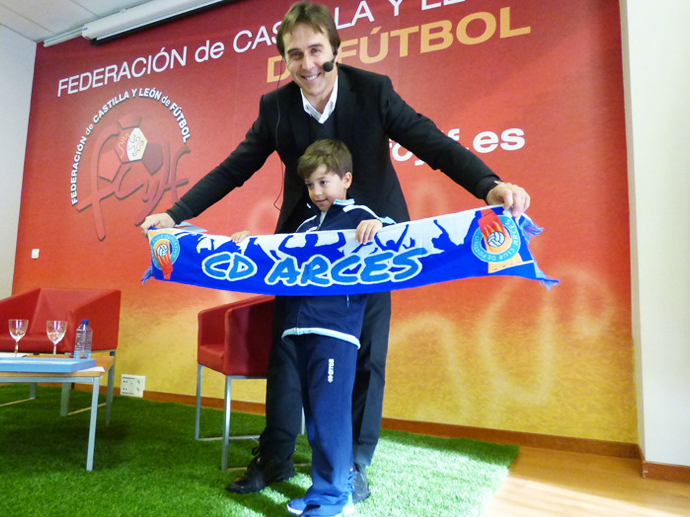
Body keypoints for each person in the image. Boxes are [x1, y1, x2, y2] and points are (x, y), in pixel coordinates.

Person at [141, 0, 531, 502]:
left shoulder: (373, 91)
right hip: (301, 250)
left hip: (374, 244)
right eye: (294, 55)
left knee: (366, 354)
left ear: (334, 49)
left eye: (315, 51)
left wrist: (489, 185)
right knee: (287, 350)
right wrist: (173, 214)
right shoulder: (276, 108)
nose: (307, 65)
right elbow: (234, 167)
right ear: (284, 59)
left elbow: (431, 142)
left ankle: (354, 463)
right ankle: (275, 455)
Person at [231, 140, 390, 516]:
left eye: (324, 182)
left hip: (335, 334)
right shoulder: (304, 225)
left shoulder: (360, 216)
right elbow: (276, 253)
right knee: (316, 420)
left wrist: (378, 225)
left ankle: (336, 498)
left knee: (331, 417)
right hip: (297, 332)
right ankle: (322, 491)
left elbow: (395, 237)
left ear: (346, 179)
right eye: (310, 185)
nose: (317, 192)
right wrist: (247, 243)